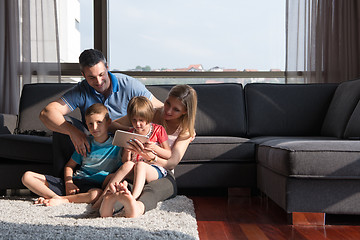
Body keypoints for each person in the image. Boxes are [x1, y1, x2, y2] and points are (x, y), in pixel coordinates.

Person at [95, 84, 197, 218]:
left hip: (162, 173)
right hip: (135, 167)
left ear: (185, 112)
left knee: (152, 190)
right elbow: (112, 125)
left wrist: (150, 157)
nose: (168, 110)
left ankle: (136, 207)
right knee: (125, 187)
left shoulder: (185, 130)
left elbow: (171, 163)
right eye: (167, 103)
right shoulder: (149, 113)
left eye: (176, 109)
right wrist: (134, 135)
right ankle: (107, 206)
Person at [39, 48, 163, 158]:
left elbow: (159, 109)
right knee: (63, 122)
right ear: (83, 75)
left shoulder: (128, 84)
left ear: (107, 67)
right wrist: (73, 132)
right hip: (94, 143)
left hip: (126, 141)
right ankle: (67, 181)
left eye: (101, 74)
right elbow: (46, 113)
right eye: (91, 77)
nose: (98, 82)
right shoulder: (81, 90)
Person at [22, 103, 122, 206]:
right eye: (90, 124)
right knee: (27, 176)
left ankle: (63, 200)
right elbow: (69, 166)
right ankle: (56, 197)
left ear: (108, 122)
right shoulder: (85, 142)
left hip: (93, 187)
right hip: (75, 182)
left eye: (99, 122)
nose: (94, 127)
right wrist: (69, 183)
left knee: (96, 195)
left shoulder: (117, 146)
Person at [100, 96, 172, 217]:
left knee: (141, 165)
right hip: (134, 171)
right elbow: (125, 161)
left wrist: (154, 148)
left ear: (148, 118)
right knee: (126, 166)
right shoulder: (130, 134)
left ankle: (133, 198)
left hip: (153, 169)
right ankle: (103, 200)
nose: (137, 124)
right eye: (134, 120)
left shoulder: (158, 130)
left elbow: (168, 154)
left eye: (141, 120)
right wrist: (128, 151)